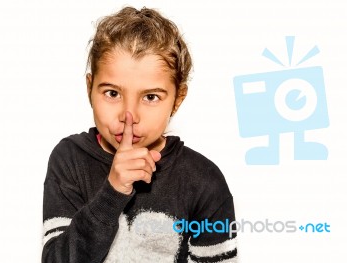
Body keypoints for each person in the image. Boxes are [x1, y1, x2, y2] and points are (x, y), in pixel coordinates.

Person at [42, 6, 237, 263]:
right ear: (90, 88)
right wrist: (112, 191)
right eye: (112, 93)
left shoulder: (203, 181)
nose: (129, 115)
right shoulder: (69, 159)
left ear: (177, 99)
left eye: (150, 97)